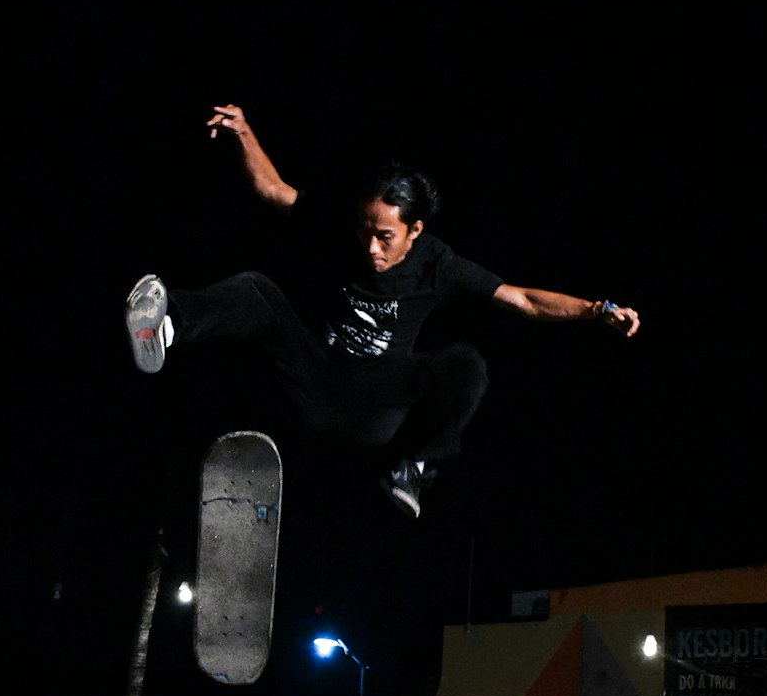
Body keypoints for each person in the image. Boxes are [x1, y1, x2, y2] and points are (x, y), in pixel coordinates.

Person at [125, 104, 640, 519]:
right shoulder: (348, 227)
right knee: (258, 289)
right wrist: (243, 131)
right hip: (319, 379)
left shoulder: (439, 263)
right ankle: (167, 325)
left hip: (376, 406)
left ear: (415, 231)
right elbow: (272, 190)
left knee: (466, 364)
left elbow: (523, 300)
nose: (371, 248)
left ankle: (415, 469)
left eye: (386, 238)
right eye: (365, 233)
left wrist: (597, 309)